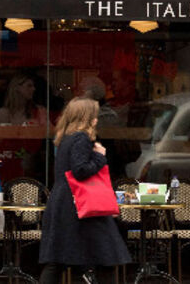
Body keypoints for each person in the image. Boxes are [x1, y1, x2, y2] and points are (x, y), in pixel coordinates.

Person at [38, 97, 131, 284]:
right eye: (94, 115)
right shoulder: (81, 138)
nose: (97, 120)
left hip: (64, 202)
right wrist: (99, 156)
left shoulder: (65, 138)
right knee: (105, 255)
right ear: (86, 117)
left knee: (57, 259)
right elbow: (80, 170)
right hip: (81, 205)